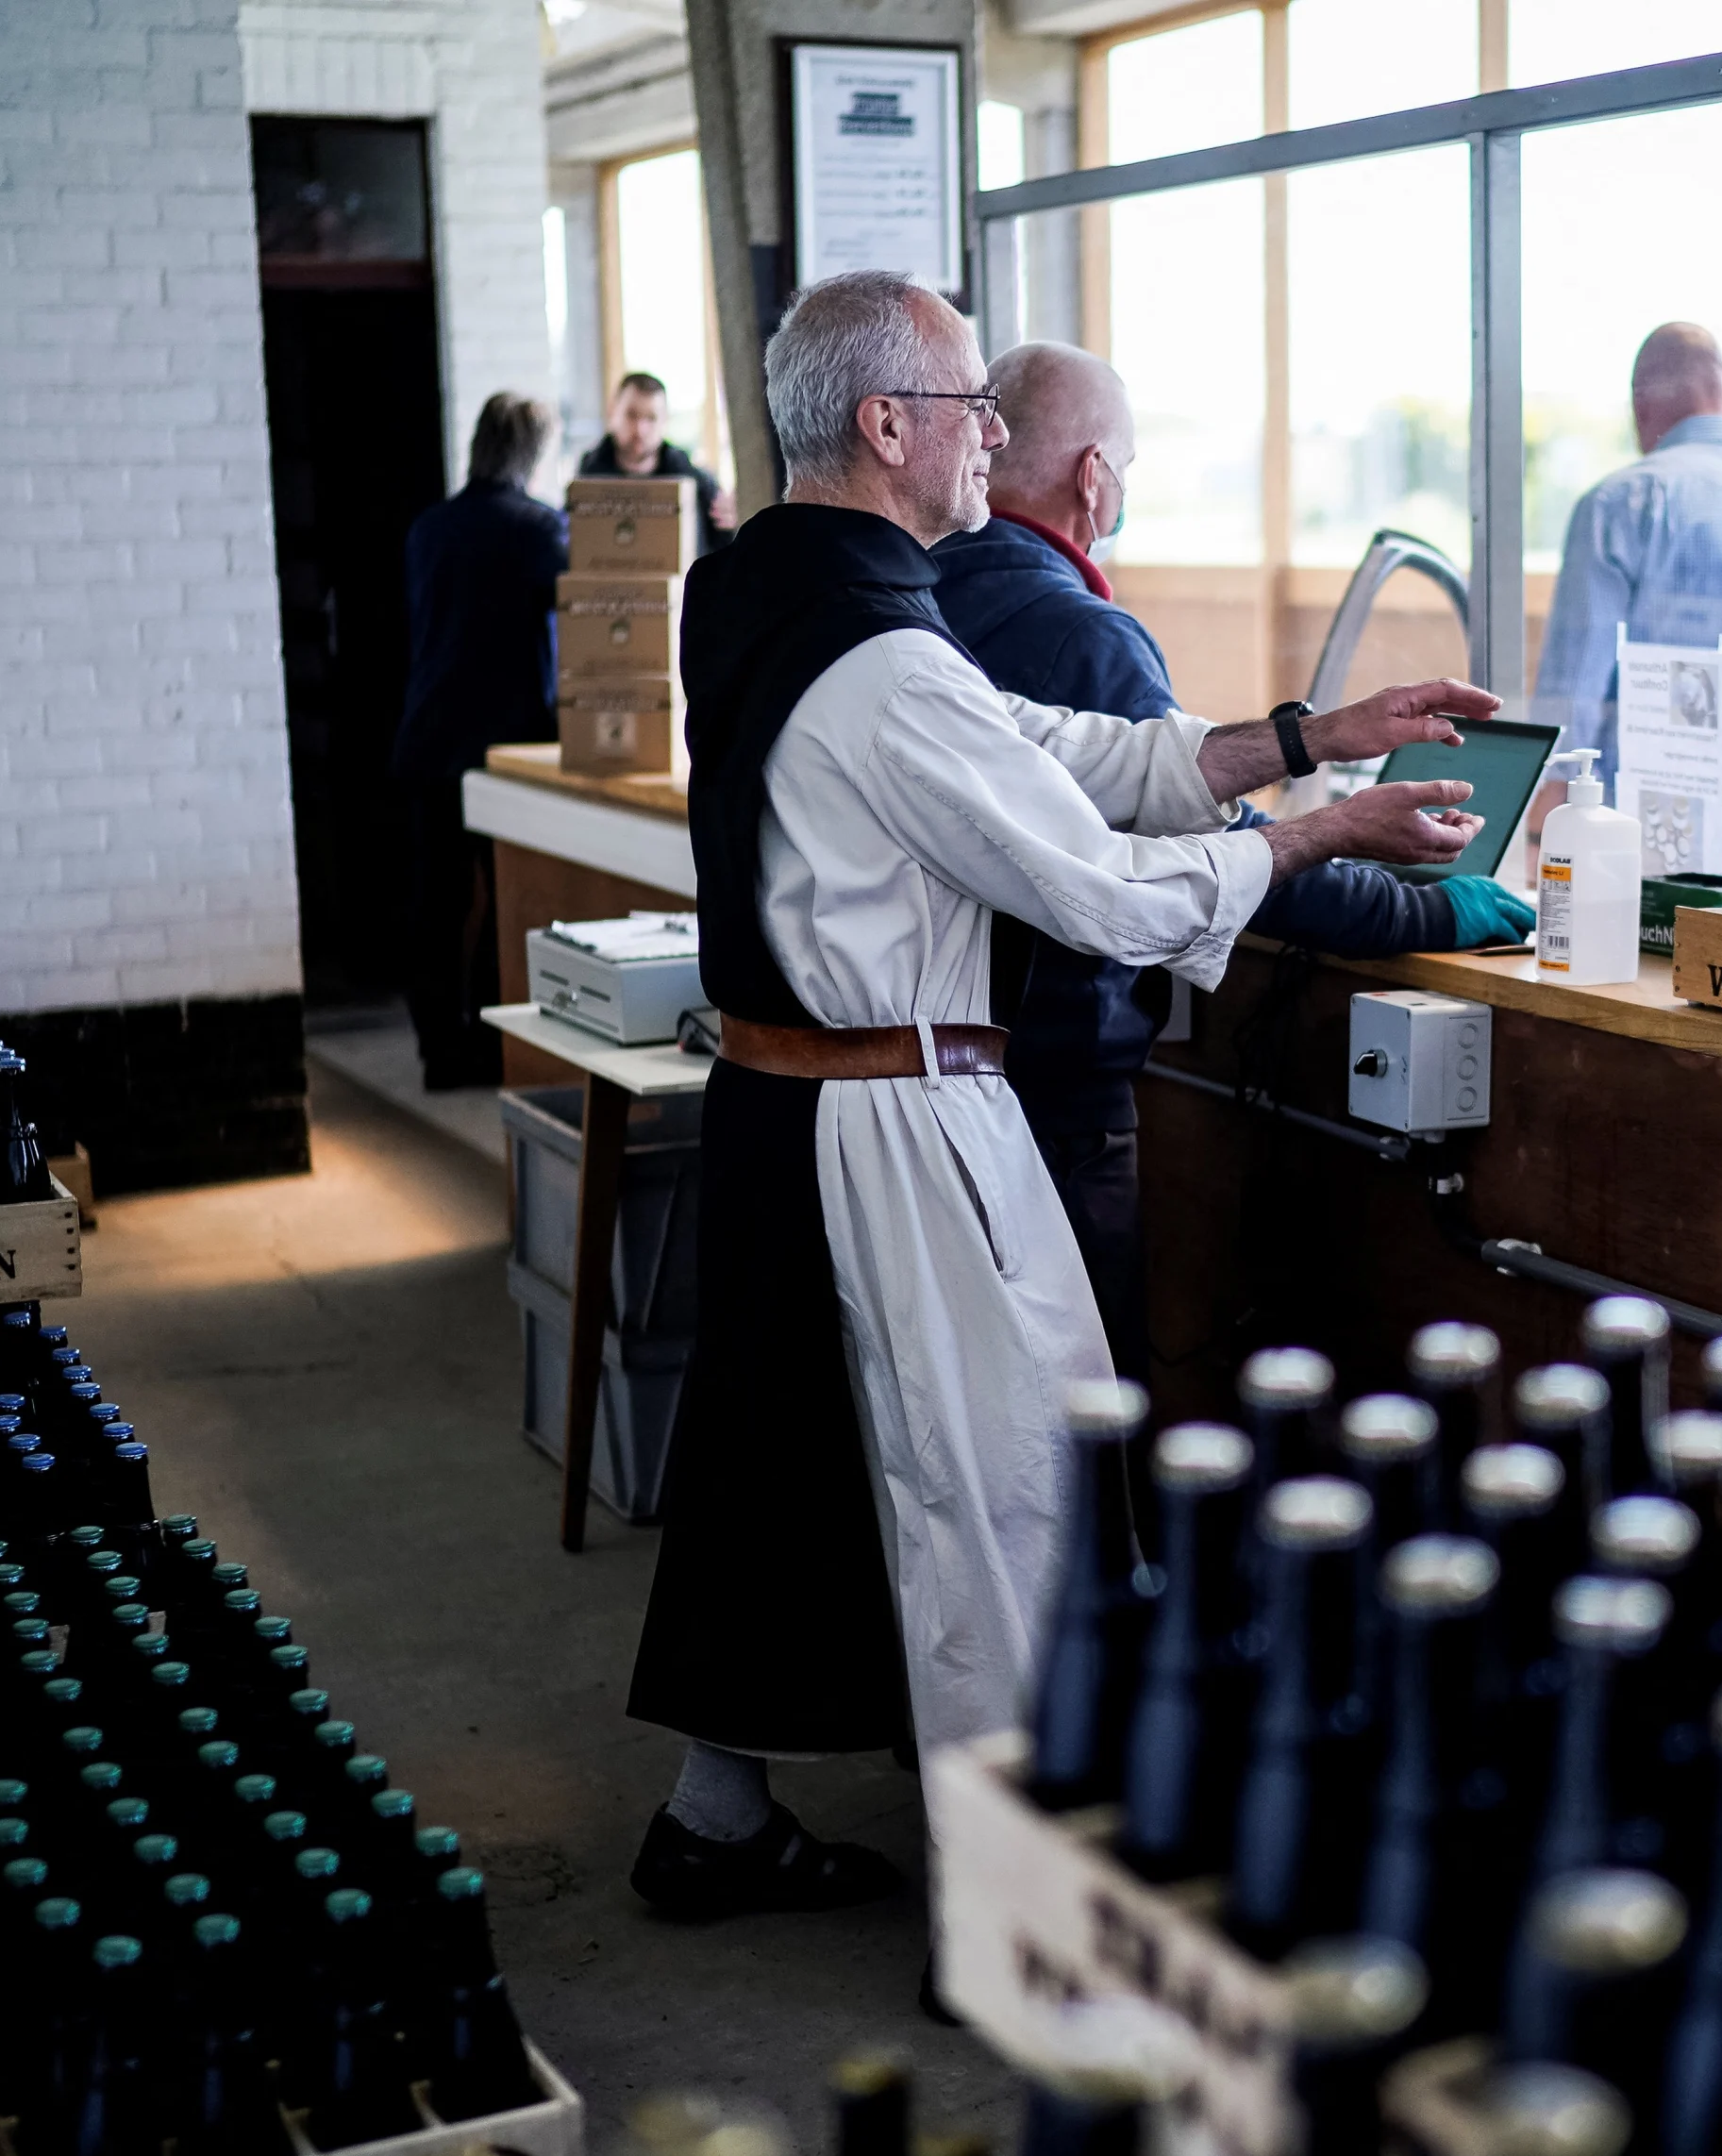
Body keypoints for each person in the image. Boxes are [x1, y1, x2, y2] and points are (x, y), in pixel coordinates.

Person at [623, 270, 1496, 1922]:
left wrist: (1302, 738)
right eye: (971, 405)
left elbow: (1059, 753)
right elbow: (1094, 886)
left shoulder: (768, 591)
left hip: (782, 1099)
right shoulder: (881, 662)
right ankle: (1008, 1898)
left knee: (781, 1461)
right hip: (889, 1112)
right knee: (998, 1488)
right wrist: (1316, 836)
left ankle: (713, 1818)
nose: (992, 434)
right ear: (887, 425)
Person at [925, 341, 1537, 1379]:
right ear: (1093, 476)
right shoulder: (1084, 636)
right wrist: (1426, 911)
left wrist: (1312, 749)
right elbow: (1208, 843)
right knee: (1082, 1400)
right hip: (1052, 1093)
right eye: (1126, 466)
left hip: (935, 1074)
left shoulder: (909, 602)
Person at [1523, 323, 1722, 868]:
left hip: (1641, 834)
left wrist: (1544, 819)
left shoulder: (1619, 504)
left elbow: (1575, 681)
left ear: (1639, 407)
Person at [392, 392, 569, 1089]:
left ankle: (440, 1050)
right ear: (532, 452)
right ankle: (498, 1042)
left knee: (436, 903)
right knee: (509, 898)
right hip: (505, 746)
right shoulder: (540, 530)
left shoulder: (429, 528)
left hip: (429, 735)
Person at [577, 370, 736, 546]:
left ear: (664, 421)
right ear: (613, 411)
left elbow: (727, 549)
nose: (640, 429)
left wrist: (733, 523)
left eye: (651, 418)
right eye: (631, 415)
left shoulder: (696, 483)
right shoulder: (585, 479)